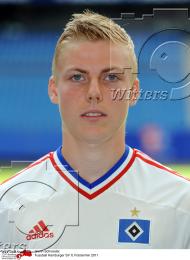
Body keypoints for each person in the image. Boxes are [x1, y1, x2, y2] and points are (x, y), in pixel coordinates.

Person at [0, 10, 190, 250]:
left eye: (110, 77)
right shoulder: (7, 206)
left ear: (133, 91)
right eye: (78, 77)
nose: (94, 92)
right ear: (53, 89)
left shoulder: (182, 204)